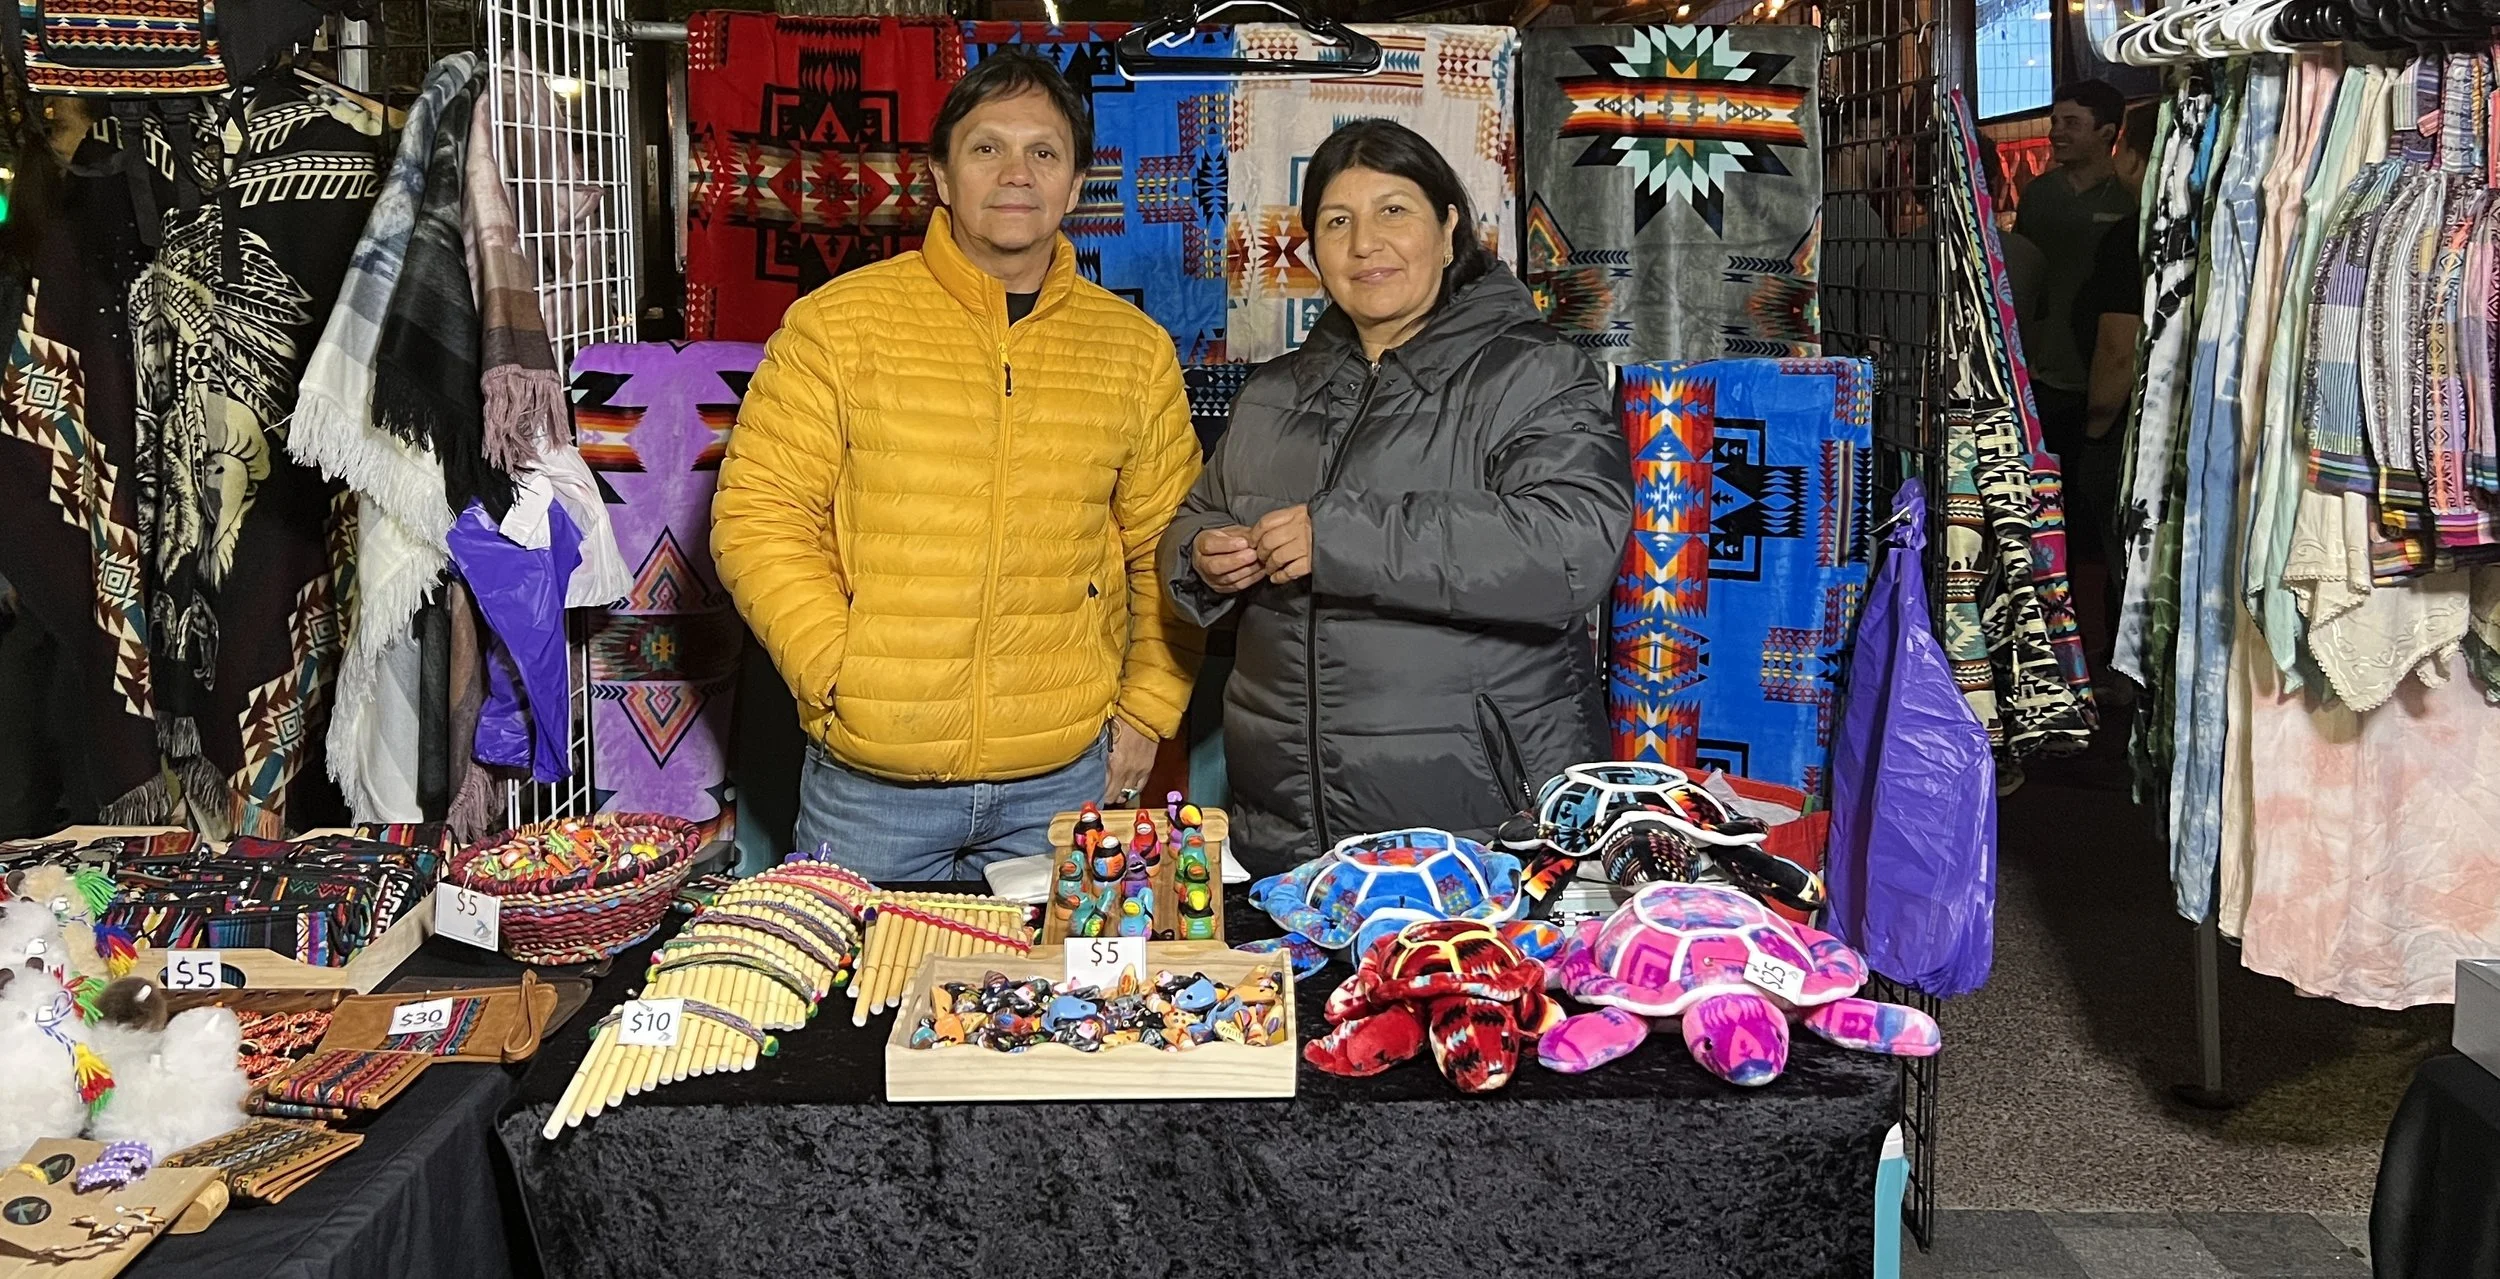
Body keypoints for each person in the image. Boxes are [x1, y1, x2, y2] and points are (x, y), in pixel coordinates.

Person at [714, 51, 1203, 880]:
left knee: (1057, 1009)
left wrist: (1148, 713)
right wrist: (839, 671)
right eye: (987, 149)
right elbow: (757, 513)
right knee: (852, 1004)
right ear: (940, 176)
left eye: (1044, 153)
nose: (1017, 174)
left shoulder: (1134, 351)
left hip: (1061, 779)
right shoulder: (837, 326)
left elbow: (1169, 544)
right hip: (871, 784)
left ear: (1077, 184)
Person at [1157, 119, 1634, 877]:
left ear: (1450, 229)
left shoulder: (1535, 373)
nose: (1364, 244)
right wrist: (1199, 558)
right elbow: (1197, 518)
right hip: (1286, 831)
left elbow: (1571, 546)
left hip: (1476, 832)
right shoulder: (1274, 393)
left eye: (1394, 212)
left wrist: (1339, 539)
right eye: (1336, 222)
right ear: (1312, 249)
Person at [2014, 79, 2137, 464]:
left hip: (2106, 374)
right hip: (2042, 373)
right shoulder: (2039, 195)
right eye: (2055, 122)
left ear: (2106, 133)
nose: (2056, 133)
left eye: (2071, 123)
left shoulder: (2128, 198)